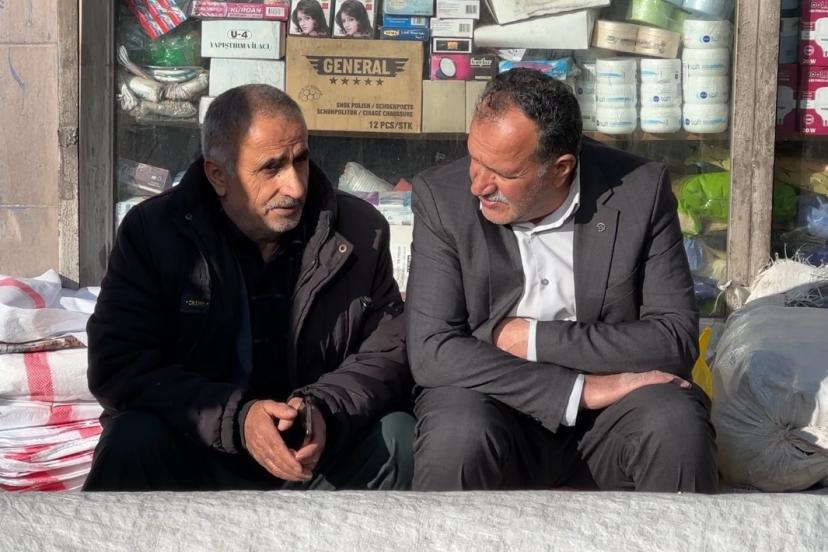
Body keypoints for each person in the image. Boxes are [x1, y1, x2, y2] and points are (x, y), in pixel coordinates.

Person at [84, 84, 414, 491]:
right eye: (271, 168)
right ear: (218, 176)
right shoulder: (153, 233)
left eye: (300, 160)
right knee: (132, 440)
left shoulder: (360, 231)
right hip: (198, 447)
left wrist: (323, 408)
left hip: (314, 454)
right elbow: (119, 364)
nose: (295, 187)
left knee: (397, 437)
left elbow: (388, 353)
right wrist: (238, 421)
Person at [406, 68, 718, 493]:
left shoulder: (640, 191)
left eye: (503, 173)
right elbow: (432, 350)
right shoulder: (441, 197)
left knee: (674, 421)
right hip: (493, 401)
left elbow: (673, 340)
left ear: (560, 169)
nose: (478, 185)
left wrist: (533, 339)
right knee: (456, 431)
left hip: (612, 418)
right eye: (474, 158)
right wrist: (577, 390)